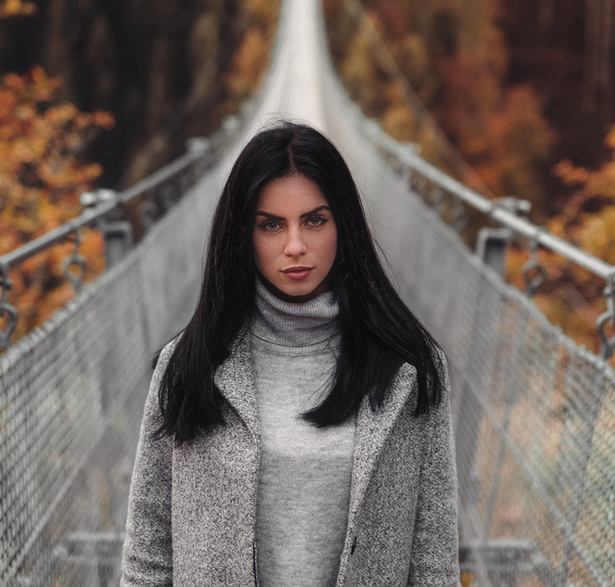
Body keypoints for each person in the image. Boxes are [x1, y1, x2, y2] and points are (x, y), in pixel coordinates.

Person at [119, 121, 459, 586]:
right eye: (271, 225)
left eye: (315, 220)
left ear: (344, 224)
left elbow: (433, 560)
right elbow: (148, 554)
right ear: (243, 234)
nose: (295, 246)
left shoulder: (409, 370)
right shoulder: (189, 365)